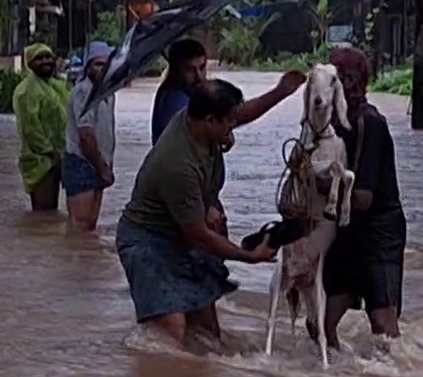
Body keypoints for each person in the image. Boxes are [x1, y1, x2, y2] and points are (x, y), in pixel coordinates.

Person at [116, 80, 278, 346]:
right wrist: (248, 256)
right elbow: (199, 234)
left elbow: (241, 113)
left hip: (181, 238)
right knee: (168, 334)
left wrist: (281, 91)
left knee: (207, 334)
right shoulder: (178, 163)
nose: (233, 126)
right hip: (147, 242)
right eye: (229, 122)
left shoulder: (197, 122)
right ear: (210, 121)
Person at [321, 47, 408, 342]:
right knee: (319, 325)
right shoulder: (329, 125)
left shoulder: (369, 123)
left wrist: (318, 185)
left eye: (340, 80)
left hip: (377, 229)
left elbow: (363, 197)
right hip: (345, 227)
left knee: (382, 325)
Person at [150, 38, 305, 150]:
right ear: (176, 71)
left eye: (202, 68)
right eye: (190, 70)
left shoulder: (185, 93)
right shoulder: (176, 101)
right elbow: (235, 114)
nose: (199, 76)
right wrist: (280, 91)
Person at [62, 41, 116, 232]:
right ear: (88, 66)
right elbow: (85, 135)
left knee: (89, 226)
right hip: (82, 161)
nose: (102, 69)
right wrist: (103, 169)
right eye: (97, 64)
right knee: (80, 225)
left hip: (98, 162)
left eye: (105, 64)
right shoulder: (84, 92)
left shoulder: (107, 92)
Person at [12, 43, 70, 212]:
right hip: (40, 159)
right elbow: (30, 128)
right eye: (39, 58)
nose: (45, 61)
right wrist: (50, 152)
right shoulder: (26, 91)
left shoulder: (56, 86)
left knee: (51, 216)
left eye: (48, 57)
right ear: (29, 62)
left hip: (59, 154)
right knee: (44, 212)